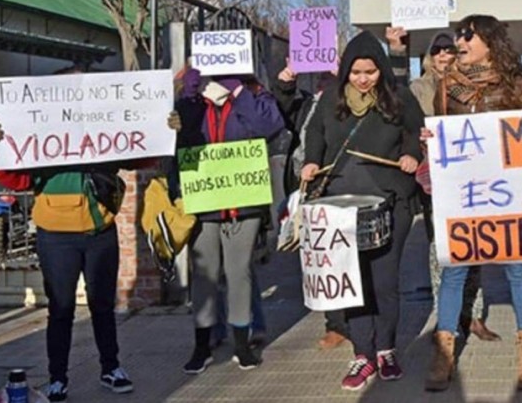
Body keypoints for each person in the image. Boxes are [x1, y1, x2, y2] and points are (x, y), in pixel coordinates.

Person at [0, 66, 179, 401]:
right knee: (61, 308)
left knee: (103, 305)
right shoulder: (39, 132)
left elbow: (140, 155)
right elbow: (16, 179)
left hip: (100, 231)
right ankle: (57, 378)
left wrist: (163, 129)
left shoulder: (102, 128)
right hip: (55, 235)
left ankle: (111, 367)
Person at [301, 31, 425, 390]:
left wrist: (411, 155)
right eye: (356, 72)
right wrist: (311, 161)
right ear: (346, 72)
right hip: (341, 205)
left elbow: (416, 132)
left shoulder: (398, 96)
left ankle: (386, 349)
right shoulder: (330, 98)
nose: (363, 79)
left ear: (380, 69)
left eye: (370, 71)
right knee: (354, 282)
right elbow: (315, 133)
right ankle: (362, 353)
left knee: (384, 281)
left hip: (390, 201)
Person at [425, 15, 522, 392]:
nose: (459, 42)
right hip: (464, 195)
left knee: (517, 270)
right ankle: (444, 353)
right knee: (454, 271)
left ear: (490, 42)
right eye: (458, 35)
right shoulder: (447, 86)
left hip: (507, 194)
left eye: (468, 36)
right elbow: (441, 128)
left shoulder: (515, 83)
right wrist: (430, 139)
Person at [386, 26, 498, 341]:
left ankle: (473, 314)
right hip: (434, 176)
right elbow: (399, 104)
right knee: (440, 247)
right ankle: (445, 316)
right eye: (437, 50)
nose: (444, 55)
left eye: (449, 49)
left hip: (471, 174)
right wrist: (397, 51)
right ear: (428, 57)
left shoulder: (472, 82)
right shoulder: (418, 88)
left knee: (474, 242)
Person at [174, 71, 284, 374]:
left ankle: (242, 344)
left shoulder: (255, 96)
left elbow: (268, 127)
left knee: (239, 272)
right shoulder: (194, 101)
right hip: (205, 201)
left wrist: (239, 93)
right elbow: (183, 139)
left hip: (244, 202)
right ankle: (202, 345)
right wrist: (190, 97)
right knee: (204, 273)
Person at [275, 65, 350, 350]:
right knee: (321, 258)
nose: (323, 81)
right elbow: (281, 113)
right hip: (307, 187)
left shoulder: (348, 102)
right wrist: (286, 82)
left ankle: (350, 320)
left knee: (345, 254)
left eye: (329, 77)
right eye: (320, 77)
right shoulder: (306, 104)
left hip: (339, 184)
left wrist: (343, 73)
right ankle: (335, 323)